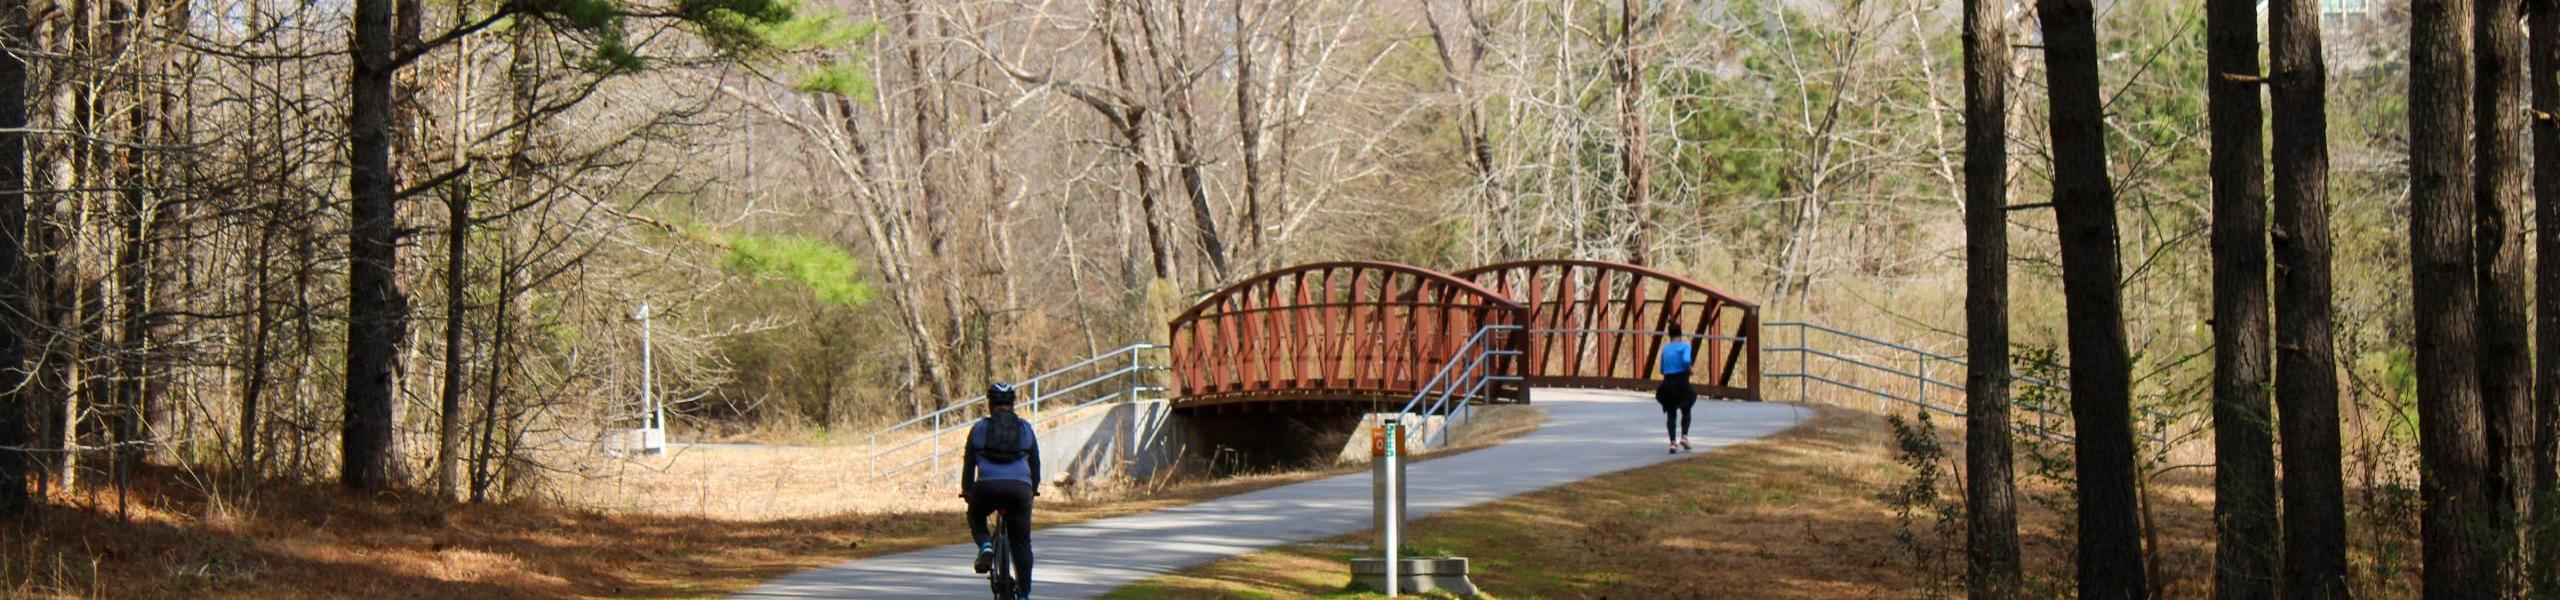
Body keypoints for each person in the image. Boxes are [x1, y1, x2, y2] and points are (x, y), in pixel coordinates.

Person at [961, 382, 1039, 599]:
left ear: (990, 403)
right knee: (1021, 543)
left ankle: (986, 545)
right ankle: (1023, 595)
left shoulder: (979, 428)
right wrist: (1034, 488)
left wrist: (967, 490)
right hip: (1019, 489)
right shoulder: (1025, 428)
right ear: (1012, 403)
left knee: (976, 514)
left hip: (987, 487)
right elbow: (1035, 463)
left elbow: (969, 464)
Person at [1657, 323, 1698, 453]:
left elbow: (1662, 370)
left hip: (1668, 383)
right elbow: (1686, 360)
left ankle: (1673, 443)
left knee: (1671, 413)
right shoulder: (1685, 347)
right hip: (1682, 382)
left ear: (1669, 335)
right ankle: (1684, 436)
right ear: (1680, 334)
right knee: (1686, 409)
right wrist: (1689, 369)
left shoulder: (1666, 349)